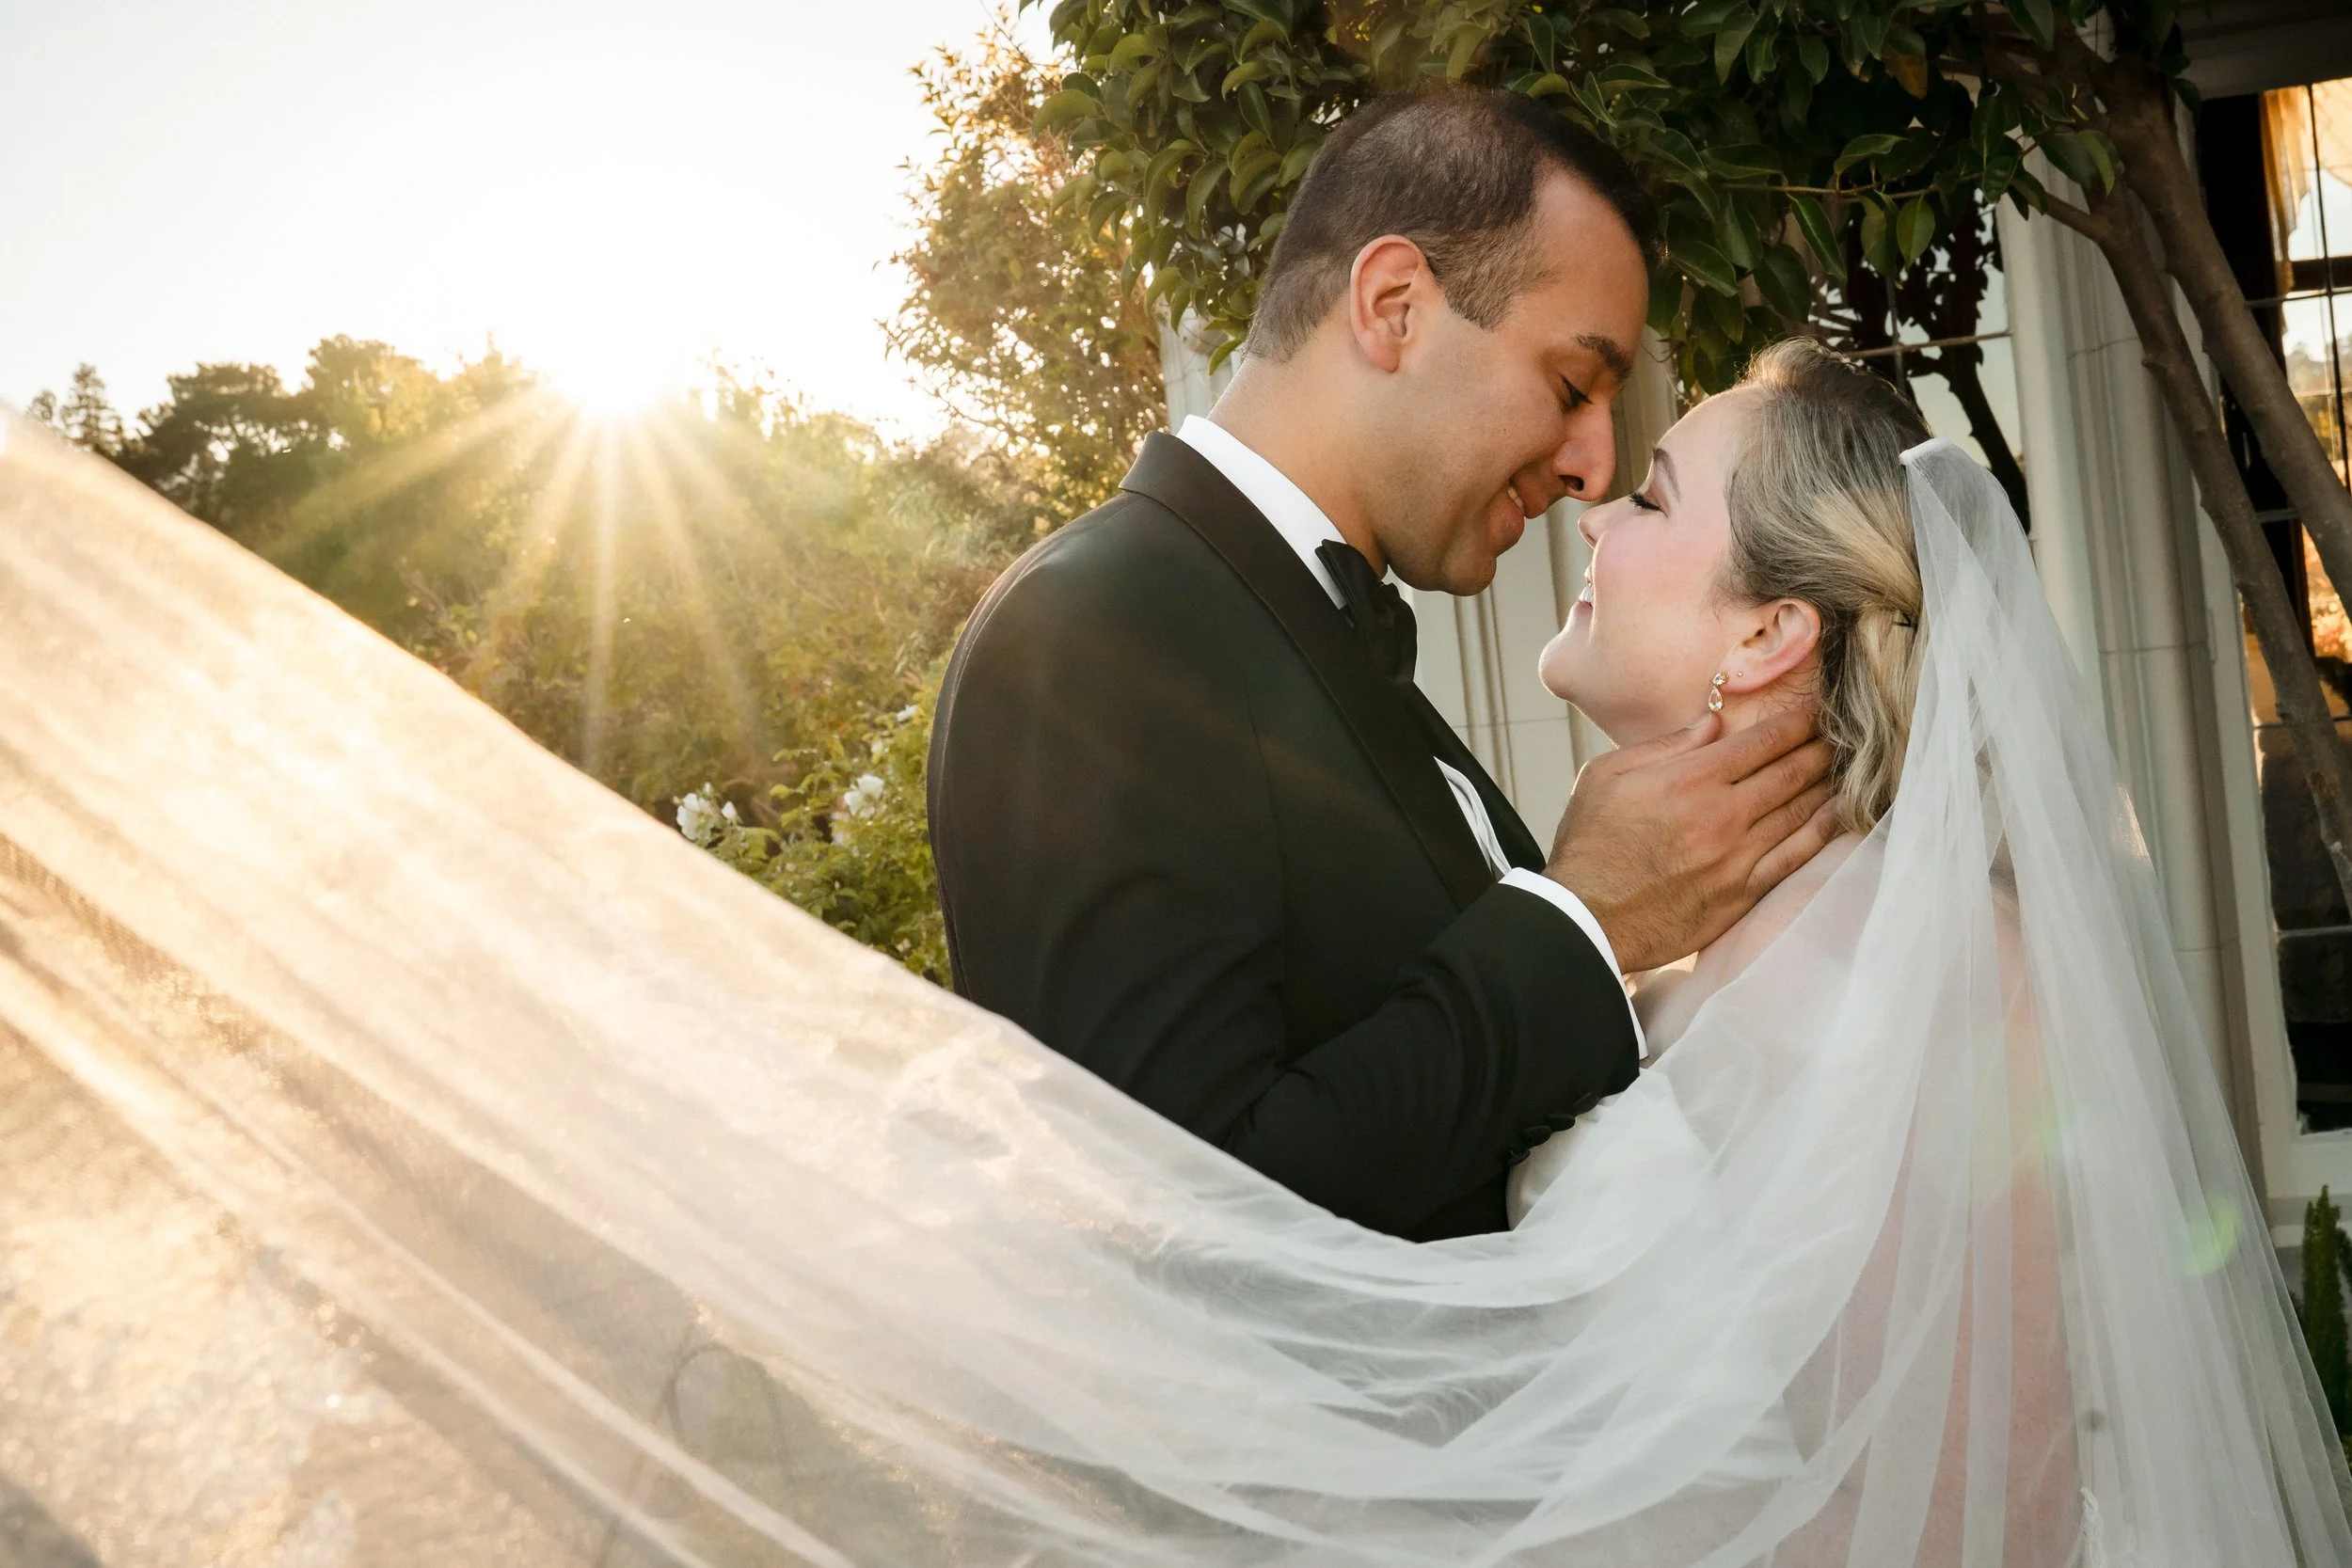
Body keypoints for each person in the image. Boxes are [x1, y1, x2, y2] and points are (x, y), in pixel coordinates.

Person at [927, 88, 1838, 1242]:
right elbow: (1177, 1219)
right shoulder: (1099, 626)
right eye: (1571, 385)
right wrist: (1585, 920)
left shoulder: (1308, 633)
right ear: (1393, 305)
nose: (1591, 461)